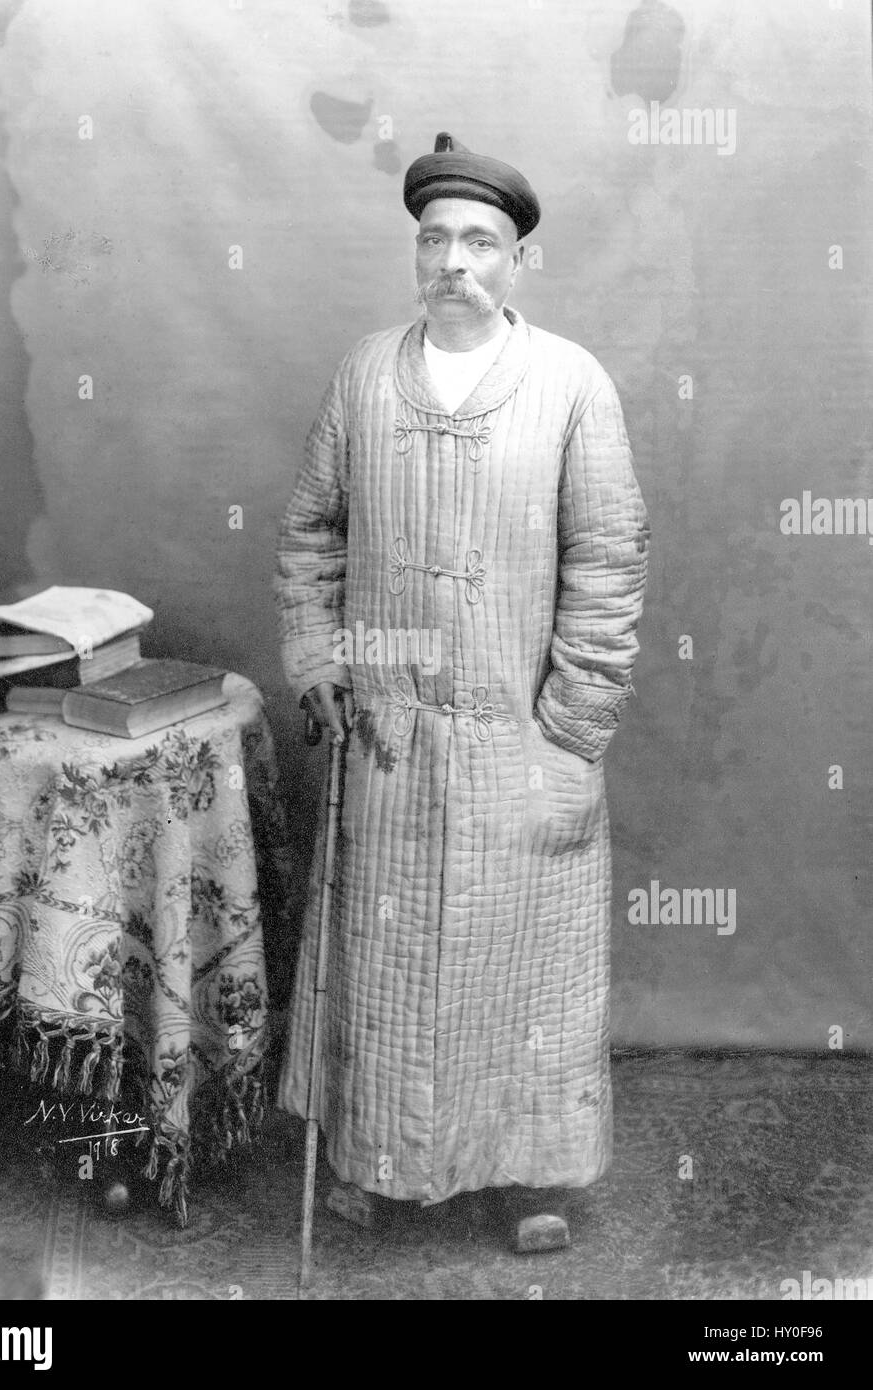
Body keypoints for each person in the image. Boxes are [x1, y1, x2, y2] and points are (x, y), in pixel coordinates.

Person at [274, 132, 649, 1252]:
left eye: (481, 241)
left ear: (519, 259)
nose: (455, 262)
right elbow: (308, 534)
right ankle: (376, 1161)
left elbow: (609, 562)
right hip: (388, 741)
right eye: (435, 239)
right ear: (416, 253)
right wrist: (320, 661)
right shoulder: (362, 373)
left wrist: (570, 734)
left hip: (514, 741)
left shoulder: (573, 385)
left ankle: (524, 1177)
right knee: (384, 965)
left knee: (522, 968)